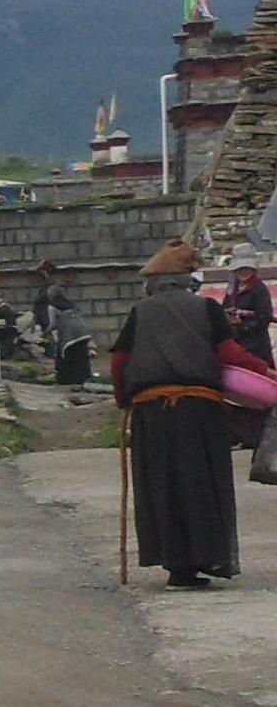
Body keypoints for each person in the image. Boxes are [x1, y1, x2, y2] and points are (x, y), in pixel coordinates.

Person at [111, 241, 252, 589]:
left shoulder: (140, 312)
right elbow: (229, 352)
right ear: (188, 281)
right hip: (198, 411)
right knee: (200, 484)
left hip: (151, 411)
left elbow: (119, 361)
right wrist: (265, 371)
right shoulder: (206, 309)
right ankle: (206, 558)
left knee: (163, 485)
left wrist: (123, 400)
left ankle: (178, 567)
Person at [228, 262, 275, 367]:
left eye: (246, 268)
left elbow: (264, 318)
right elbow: (225, 307)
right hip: (236, 343)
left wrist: (242, 326)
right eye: (240, 268)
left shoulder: (260, 289)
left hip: (256, 345)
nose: (243, 272)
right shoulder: (232, 287)